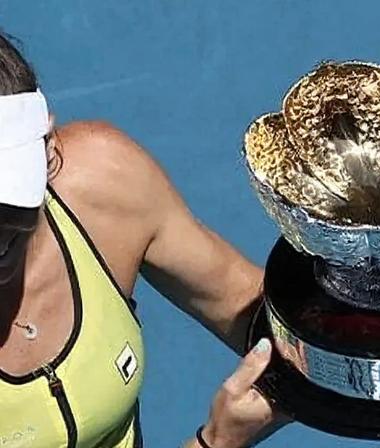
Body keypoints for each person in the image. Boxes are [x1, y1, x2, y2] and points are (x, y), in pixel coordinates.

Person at [0, 34, 283, 447]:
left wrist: (360, 320)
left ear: (47, 145)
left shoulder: (105, 178)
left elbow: (245, 303)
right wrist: (218, 442)